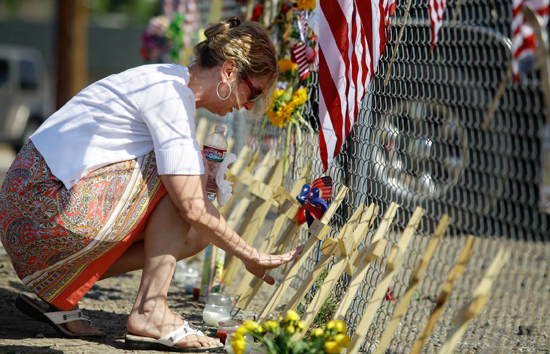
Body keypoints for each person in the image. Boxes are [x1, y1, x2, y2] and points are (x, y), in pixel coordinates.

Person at [0, 17, 303, 352]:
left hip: (28, 213)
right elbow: (191, 205)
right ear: (229, 72)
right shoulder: (170, 95)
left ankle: (60, 289)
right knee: (184, 190)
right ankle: (151, 310)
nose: (248, 106)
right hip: (41, 209)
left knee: (197, 222)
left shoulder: (167, 80)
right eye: (254, 92)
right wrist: (252, 256)